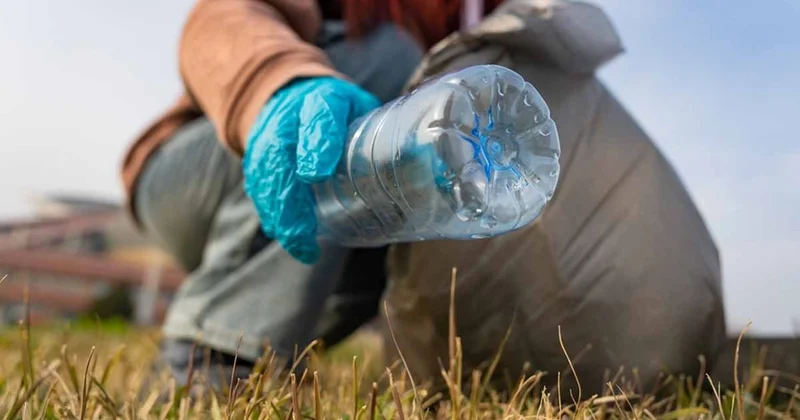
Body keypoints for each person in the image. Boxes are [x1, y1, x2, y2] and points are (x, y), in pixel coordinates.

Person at [123, 0, 726, 395]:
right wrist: (279, 83)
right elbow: (223, 17)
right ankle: (211, 353)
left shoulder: (492, 19)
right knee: (393, 60)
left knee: (437, 217)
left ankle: (281, 343)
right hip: (204, 166)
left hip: (331, 220)